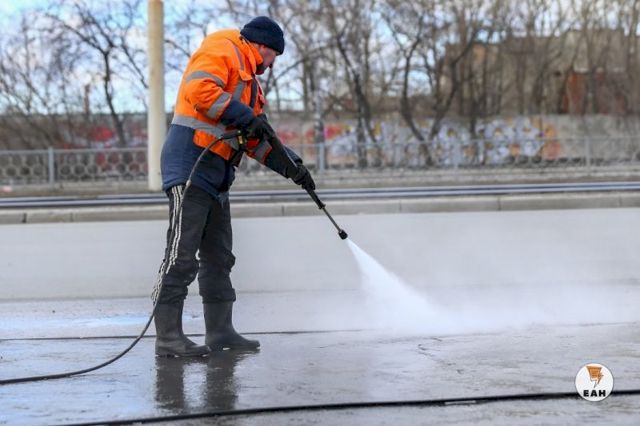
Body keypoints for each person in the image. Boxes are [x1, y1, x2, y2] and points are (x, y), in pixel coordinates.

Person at [152, 16, 316, 357]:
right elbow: (200, 91)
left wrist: (293, 167)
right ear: (262, 46)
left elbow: (254, 139)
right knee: (181, 256)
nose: (272, 65)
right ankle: (168, 338)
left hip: (217, 174)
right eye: (273, 56)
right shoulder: (223, 48)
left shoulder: (251, 87)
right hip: (190, 164)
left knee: (219, 257)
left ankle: (220, 331)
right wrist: (244, 116)